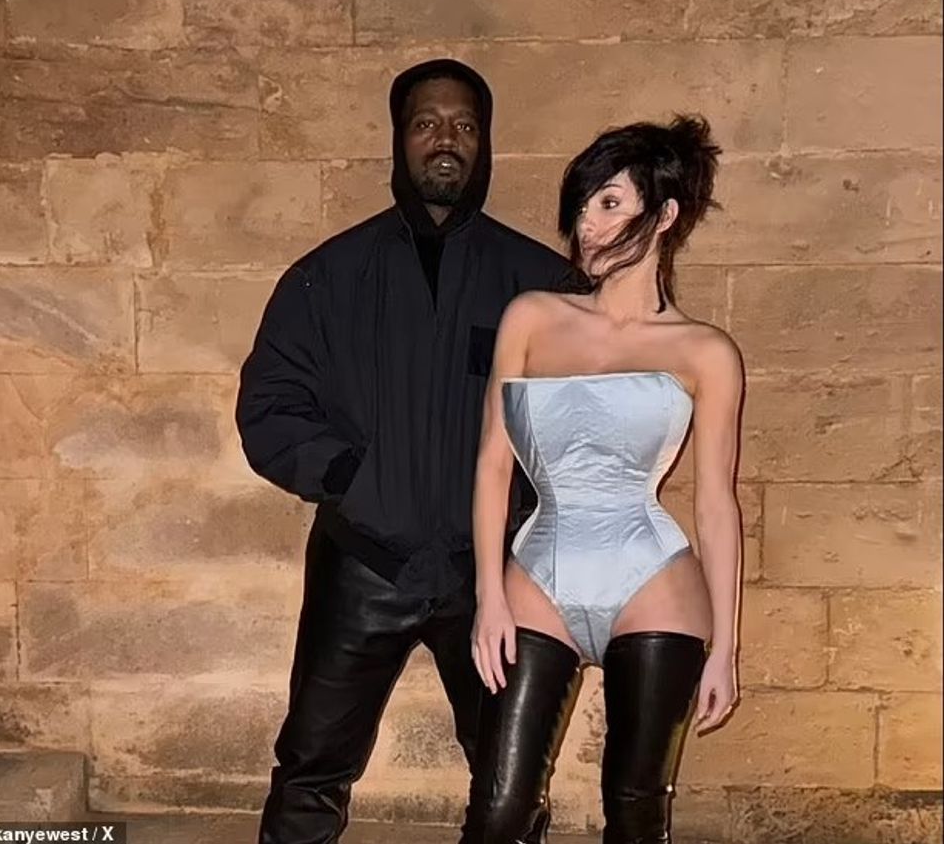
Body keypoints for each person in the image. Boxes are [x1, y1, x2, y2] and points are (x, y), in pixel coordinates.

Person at [236, 59, 578, 844]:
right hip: (363, 564)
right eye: (426, 123)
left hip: (490, 573)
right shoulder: (326, 278)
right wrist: (352, 476)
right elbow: (268, 406)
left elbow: (581, 421)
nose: (445, 139)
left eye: (464, 125)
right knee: (312, 764)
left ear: (485, 141)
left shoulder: (539, 282)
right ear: (399, 139)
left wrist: (527, 514)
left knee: (510, 776)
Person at [465, 115, 743, 843]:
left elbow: (716, 504)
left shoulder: (706, 351)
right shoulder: (531, 317)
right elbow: (494, 461)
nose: (587, 224)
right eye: (584, 206)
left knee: (635, 812)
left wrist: (726, 647)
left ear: (666, 215)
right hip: (538, 573)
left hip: (653, 578)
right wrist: (488, 596)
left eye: (610, 203)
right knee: (498, 812)